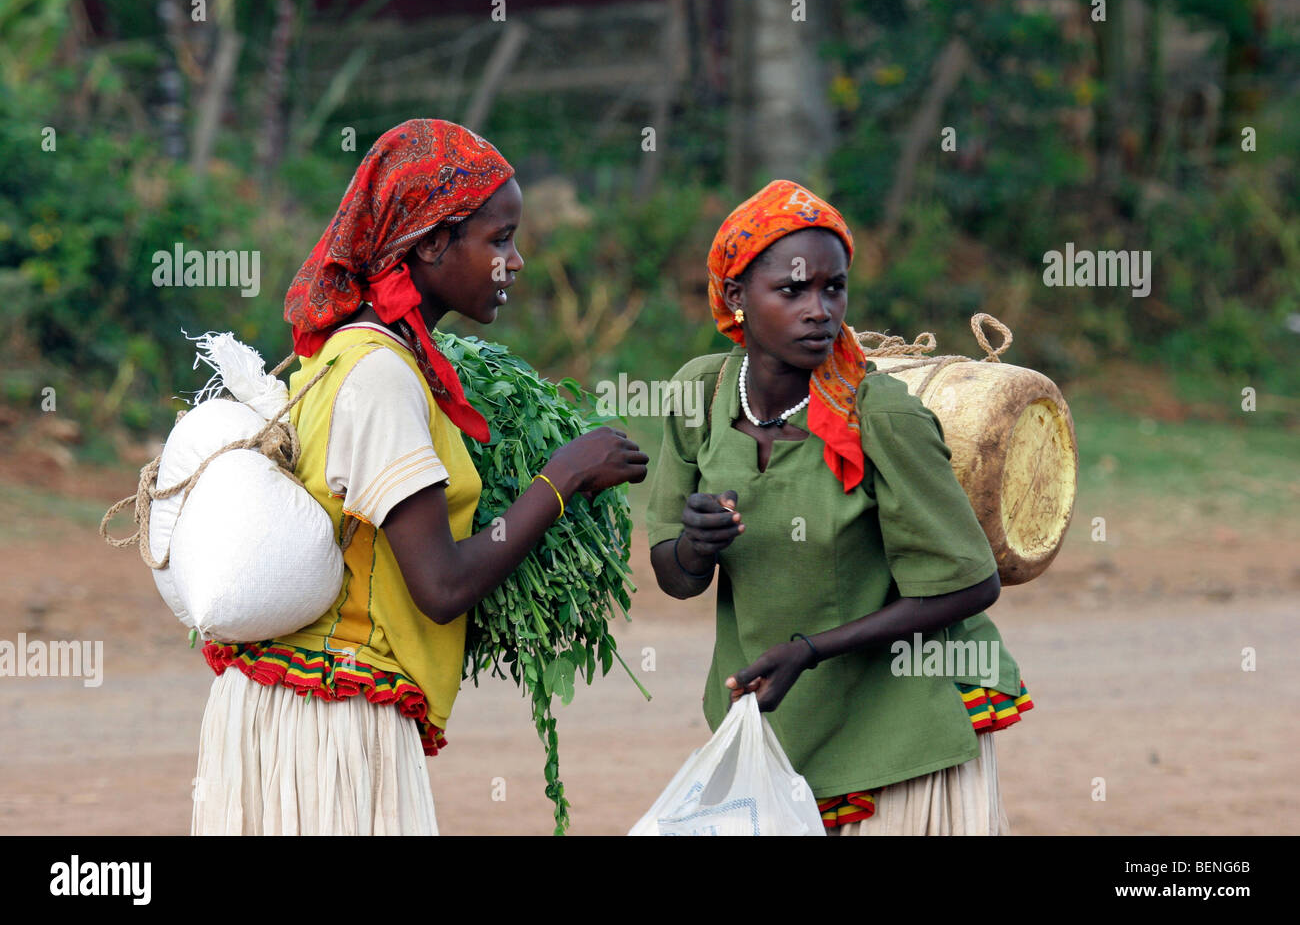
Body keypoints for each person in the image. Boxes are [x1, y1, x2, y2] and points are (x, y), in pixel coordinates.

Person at [191, 118, 648, 835]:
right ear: (431, 242)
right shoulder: (380, 376)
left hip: (304, 703)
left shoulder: (354, 353)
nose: (516, 261)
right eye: (499, 240)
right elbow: (441, 587)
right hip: (331, 718)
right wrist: (562, 477)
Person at [644, 180, 1032, 835]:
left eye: (834, 288)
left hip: (900, 736)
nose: (821, 310)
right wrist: (694, 544)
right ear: (736, 298)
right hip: (776, 729)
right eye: (793, 291)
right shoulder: (699, 394)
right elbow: (676, 578)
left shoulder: (880, 415)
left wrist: (810, 650)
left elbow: (971, 583)